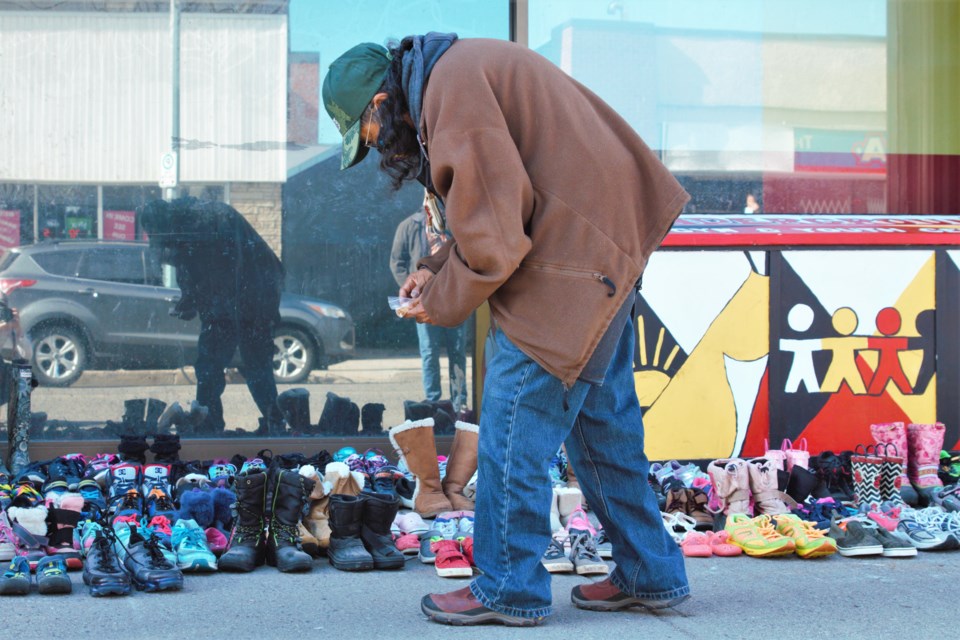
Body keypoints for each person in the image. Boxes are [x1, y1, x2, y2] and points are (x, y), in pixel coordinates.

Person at [323, 34, 690, 626]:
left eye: (366, 134)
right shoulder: (452, 76)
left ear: (381, 103)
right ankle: (652, 572)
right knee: (602, 428)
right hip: (595, 249)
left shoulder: (452, 93)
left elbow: (495, 237)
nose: (376, 149)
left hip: (572, 260)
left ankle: (507, 587)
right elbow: (491, 210)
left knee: (513, 428)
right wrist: (432, 268)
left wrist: (436, 302)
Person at [138, 197, 286, 436]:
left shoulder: (203, 223)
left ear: (167, 224)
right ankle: (218, 423)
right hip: (244, 295)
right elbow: (193, 270)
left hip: (251, 296)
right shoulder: (191, 226)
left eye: (159, 236)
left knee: (242, 363)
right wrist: (191, 299)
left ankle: (215, 425)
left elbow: (215, 271)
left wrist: (197, 300)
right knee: (224, 365)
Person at [390, 191, 468, 412]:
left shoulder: (455, 224)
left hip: (455, 299)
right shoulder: (409, 226)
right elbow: (397, 262)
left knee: (457, 352)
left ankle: (459, 402)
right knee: (429, 352)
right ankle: (433, 401)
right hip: (424, 301)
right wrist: (413, 290)